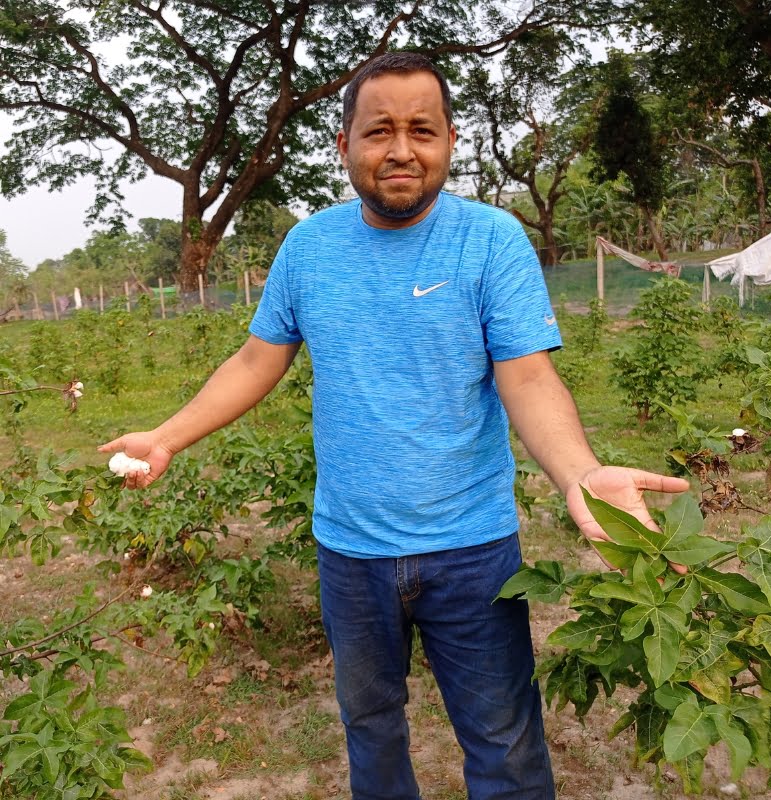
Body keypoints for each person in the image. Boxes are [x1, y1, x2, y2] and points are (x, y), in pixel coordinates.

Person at [100, 53, 689, 800]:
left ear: (450, 141)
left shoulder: (490, 240)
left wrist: (581, 474)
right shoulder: (309, 247)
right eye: (379, 130)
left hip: (474, 550)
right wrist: (167, 436)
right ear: (344, 143)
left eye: (422, 130)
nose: (402, 149)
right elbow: (255, 360)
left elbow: (530, 377)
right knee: (371, 731)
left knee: (505, 744)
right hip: (351, 553)